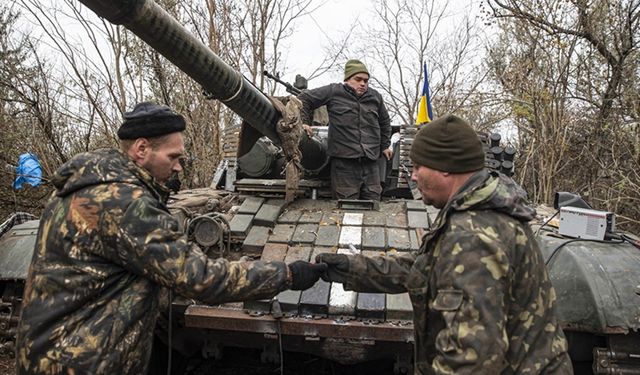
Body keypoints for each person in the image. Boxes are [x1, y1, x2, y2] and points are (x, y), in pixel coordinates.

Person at [15, 102, 327, 375]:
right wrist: (287, 273)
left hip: (56, 353)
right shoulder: (124, 203)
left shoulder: (81, 188)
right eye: (173, 156)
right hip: (81, 362)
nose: (178, 165)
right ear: (141, 150)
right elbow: (201, 278)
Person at [317, 115, 573, 374]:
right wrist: (352, 269)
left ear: (445, 168)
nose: (413, 177)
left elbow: (471, 360)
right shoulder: (478, 211)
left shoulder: (472, 236)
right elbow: (425, 269)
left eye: (418, 167)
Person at [299, 59, 391, 200]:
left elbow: (384, 122)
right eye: (358, 79)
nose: (362, 84)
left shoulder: (375, 97)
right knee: (345, 207)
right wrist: (304, 123)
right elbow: (304, 99)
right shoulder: (334, 91)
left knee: (373, 203)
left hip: (371, 162)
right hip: (344, 163)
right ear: (348, 79)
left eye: (366, 81)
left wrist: (385, 145)